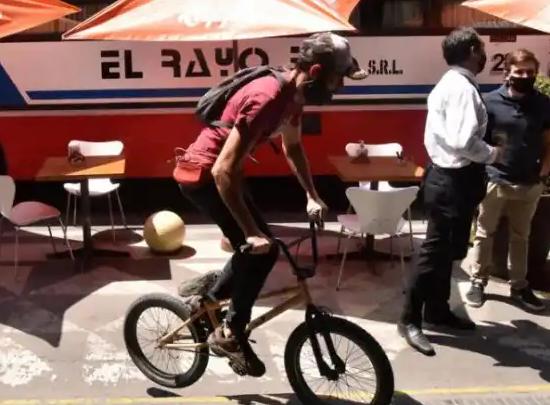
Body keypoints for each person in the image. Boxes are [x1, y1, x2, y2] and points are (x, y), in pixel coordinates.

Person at [175, 32, 367, 376]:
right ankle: (229, 330)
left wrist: (312, 194)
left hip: (225, 175)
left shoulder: (294, 96)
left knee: (260, 249)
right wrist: (250, 232)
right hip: (205, 175)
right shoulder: (269, 97)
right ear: (318, 71)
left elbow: (293, 148)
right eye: (339, 79)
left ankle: (209, 299)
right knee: (259, 249)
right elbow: (222, 170)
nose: (340, 87)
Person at [399, 27, 504, 357]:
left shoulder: (452, 83)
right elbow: (462, 142)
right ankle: (410, 319)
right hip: (452, 182)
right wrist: (492, 154)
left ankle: (437, 310)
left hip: (450, 179)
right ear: (473, 50)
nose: (485, 55)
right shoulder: (461, 89)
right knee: (434, 252)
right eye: (482, 49)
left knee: (447, 252)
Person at [465, 49, 550, 311]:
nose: (525, 76)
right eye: (519, 72)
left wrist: (544, 174)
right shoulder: (489, 102)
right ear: (507, 74)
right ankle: (477, 282)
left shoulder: (543, 104)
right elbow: (478, 142)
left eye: (530, 72)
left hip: (529, 183)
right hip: (495, 179)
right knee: (484, 233)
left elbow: (548, 141)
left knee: (521, 236)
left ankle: (519, 286)